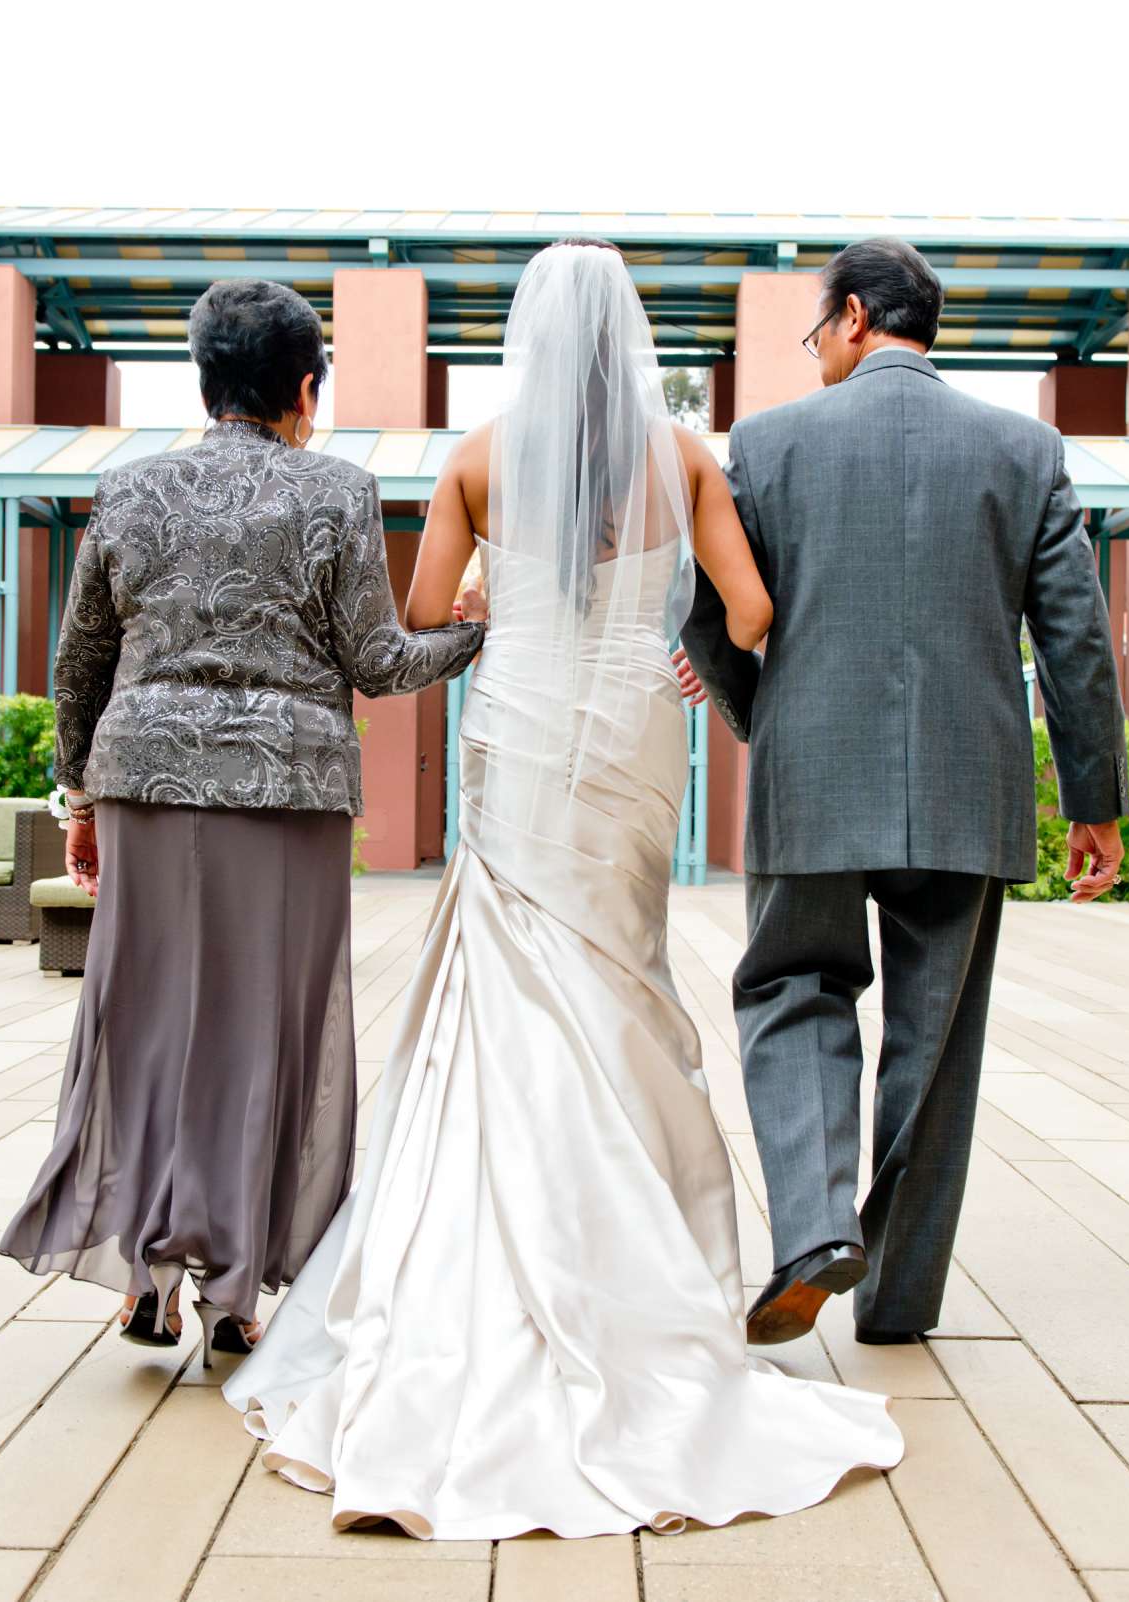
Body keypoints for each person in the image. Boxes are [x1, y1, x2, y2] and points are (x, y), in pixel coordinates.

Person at [224, 242, 901, 1540]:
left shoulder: (478, 457)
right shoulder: (686, 456)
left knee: (516, 977)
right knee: (617, 976)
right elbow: (751, 615)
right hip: (634, 733)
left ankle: (495, 1270)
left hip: (521, 723)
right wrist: (683, 632)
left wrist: (491, 594)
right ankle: (634, 1274)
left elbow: (423, 617)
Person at [0, 279, 483, 1363]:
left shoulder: (128, 491)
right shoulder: (338, 492)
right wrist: (474, 635)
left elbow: (79, 664)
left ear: (207, 382)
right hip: (289, 792)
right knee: (266, 1031)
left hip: (146, 785)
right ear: (305, 387)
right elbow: (378, 661)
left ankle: (147, 1272)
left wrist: (84, 800)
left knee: (152, 1025)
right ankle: (234, 1299)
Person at [675, 238, 1129, 1349]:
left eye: (817, 328)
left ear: (857, 318)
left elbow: (708, 610)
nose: (816, 349)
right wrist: (1094, 800)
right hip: (971, 790)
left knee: (792, 990)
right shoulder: (1026, 451)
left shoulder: (769, 445)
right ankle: (899, 1303)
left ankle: (817, 1226)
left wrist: (764, 716)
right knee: (937, 1041)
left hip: (812, 776)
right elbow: (1075, 637)